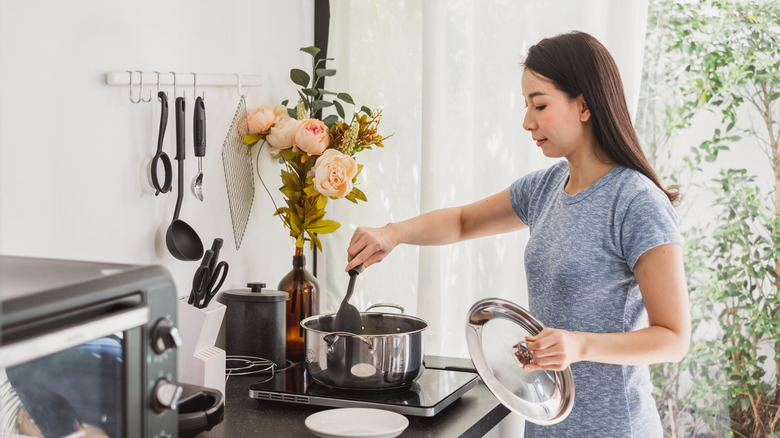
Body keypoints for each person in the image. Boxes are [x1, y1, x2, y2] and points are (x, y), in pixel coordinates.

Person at [345, 31, 690, 437]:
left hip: (613, 427)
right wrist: (393, 233)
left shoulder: (636, 202)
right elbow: (461, 221)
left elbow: (673, 338)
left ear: (583, 105)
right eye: (526, 105)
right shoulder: (546, 187)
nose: (527, 122)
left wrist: (579, 345)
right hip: (545, 420)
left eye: (540, 105)